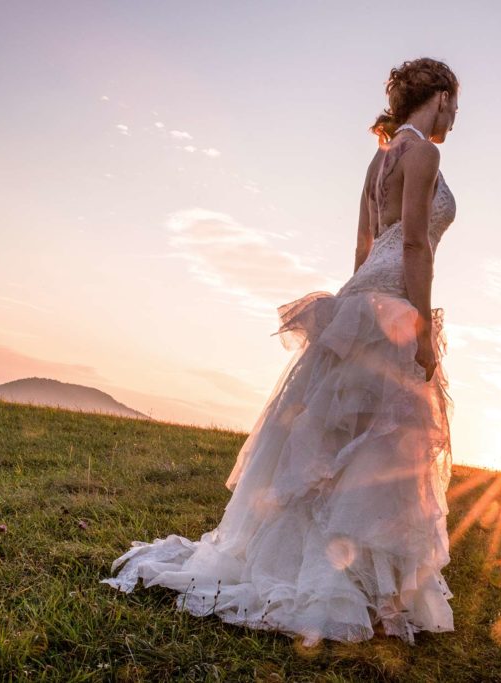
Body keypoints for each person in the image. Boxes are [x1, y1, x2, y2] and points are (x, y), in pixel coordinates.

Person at [101, 57, 460, 645]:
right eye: (455, 104)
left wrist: (355, 311)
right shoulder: (423, 152)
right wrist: (419, 327)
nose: (455, 117)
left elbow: (364, 247)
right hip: (396, 299)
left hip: (363, 296)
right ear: (441, 96)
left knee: (335, 443)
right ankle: (346, 583)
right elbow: (416, 243)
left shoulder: (381, 155)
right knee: (380, 444)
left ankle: (334, 573)